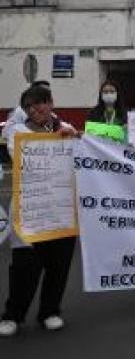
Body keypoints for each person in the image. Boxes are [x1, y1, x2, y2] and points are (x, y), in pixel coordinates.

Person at [0, 85, 79, 337]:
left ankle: (50, 311)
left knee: (59, 265)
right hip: (31, 210)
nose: (37, 108)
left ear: (51, 103)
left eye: (41, 102)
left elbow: (82, 154)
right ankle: (13, 315)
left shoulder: (66, 127)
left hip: (63, 210)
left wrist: (75, 138)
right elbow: (18, 150)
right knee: (25, 267)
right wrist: (58, 139)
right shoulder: (16, 130)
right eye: (30, 105)